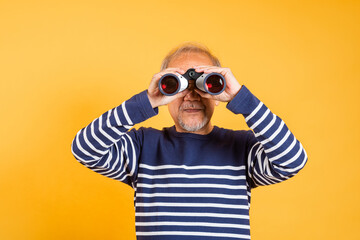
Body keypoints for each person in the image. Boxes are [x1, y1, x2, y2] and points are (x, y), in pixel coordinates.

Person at [71, 42, 307, 240]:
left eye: (204, 83)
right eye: (178, 84)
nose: (191, 95)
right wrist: (147, 101)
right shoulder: (142, 146)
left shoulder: (242, 148)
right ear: (165, 90)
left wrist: (240, 98)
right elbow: (84, 150)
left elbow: (293, 161)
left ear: (216, 95)